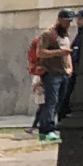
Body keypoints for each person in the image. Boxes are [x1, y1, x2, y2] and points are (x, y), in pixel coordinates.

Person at [30, 10, 73, 141]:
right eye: (66, 21)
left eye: (70, 22)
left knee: (59, 101)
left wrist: (70, 67)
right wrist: (59, 52)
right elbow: (40, 53)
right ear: (59, 20)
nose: (68, 24)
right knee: (51, 101)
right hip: (51, 73)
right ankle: (47, 129)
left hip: (64, 73)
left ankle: (45, 128)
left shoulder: (65, 36)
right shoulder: (48, 34)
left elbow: (68, 54)